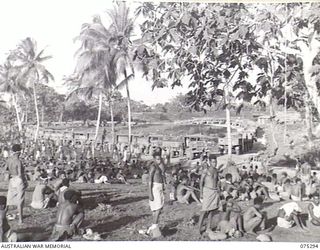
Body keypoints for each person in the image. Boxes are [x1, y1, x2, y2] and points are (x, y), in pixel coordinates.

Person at [198, 154, 220, 235]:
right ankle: (198, 229)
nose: (215, 163)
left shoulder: (216, 170)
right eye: (213, 162)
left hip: (214, 192)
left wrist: (218, 187)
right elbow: (201, 182)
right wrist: (201, 193)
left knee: (212, 211)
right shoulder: (205, 170)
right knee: (204, 211)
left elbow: (217, 180)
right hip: (207, 191)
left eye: (216, 162)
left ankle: (208, 228)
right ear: (210, 162)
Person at [6, 144, 27, 224]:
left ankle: (3, 214)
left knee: (9, 199)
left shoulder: (9, 160)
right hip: (18, 179)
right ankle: (20, 219)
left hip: (12, 179)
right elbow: (20, 174)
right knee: (20, 199)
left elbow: (5, 170)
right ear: (18, 152)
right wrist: (25, 181)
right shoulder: (18, 161)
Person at [147, 150, 165, 237]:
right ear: (154, 159)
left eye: (160, 159)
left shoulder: (159, 166)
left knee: (156, 208)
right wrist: (150, 193)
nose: (159, 161)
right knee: (158, 207)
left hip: (159, 187)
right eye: (157, 159)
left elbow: (162, 175)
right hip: (155, 187)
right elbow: (150, 180)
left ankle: (153, 226)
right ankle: (154, 225)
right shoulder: (153, 167)